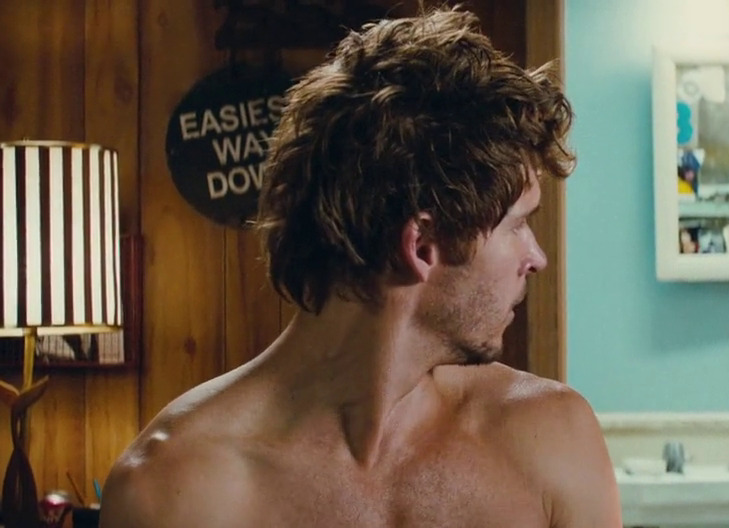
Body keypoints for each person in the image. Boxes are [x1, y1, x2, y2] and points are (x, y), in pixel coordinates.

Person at [100, 5, 622, 527]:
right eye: (517, 225)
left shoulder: (550, 442)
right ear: (422, 246)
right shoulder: (176, 492)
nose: (536, 258)